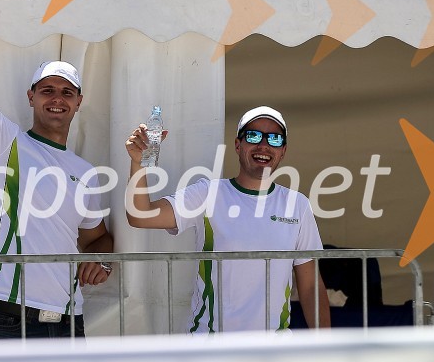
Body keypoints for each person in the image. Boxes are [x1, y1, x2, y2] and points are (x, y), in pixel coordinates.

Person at [0, 0, 113, 339]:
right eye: (47, 90)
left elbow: (96, 237)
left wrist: (102, 258)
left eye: (66, 92)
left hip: (69, 321)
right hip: (8, 317)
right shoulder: (3, 141)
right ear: (31, 97)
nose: (57, 99)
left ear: (78, 102)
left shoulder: (86, 172)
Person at [124, 106, 330, 332]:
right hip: (213, 349)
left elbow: (310, 286)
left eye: (274, 138)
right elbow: (140, 215)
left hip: (272, 354)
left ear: (283, 151)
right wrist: (138, 162)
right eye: (253, 135)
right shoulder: (207, 194)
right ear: (237, 145)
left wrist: (326, 346)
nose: (263, 145)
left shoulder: (298, 205)